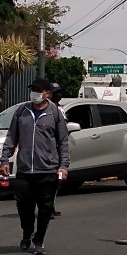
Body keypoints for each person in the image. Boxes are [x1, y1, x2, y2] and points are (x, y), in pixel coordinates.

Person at [0, 78, 70, 255]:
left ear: (47, 94)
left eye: (39, 90)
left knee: (45, 209)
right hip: (24, 170)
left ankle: (39, 240)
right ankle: (27, 232)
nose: (35, 93)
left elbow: (63, 142)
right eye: (33, 90)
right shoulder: (22, 111)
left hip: (47, 170)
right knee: (24, 207)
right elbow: (11, 137)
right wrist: (5, 160)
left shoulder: (55, 113)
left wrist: (63, 166)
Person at [48, 82, 67, 218]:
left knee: (56, 181)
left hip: (58, 150)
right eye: (55, 93)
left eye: (59, 92)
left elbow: (64, 131)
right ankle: (47, 208)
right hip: (47, 151)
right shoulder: (44, 109)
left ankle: (51, 206)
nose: (58, 95)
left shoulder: (60, 109)